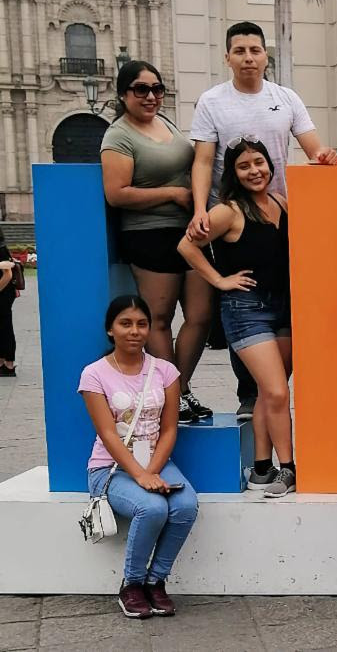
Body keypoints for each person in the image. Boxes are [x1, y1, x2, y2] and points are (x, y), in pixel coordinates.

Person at [187, 21, 337, 422]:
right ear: (227, 57)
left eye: (255, 50)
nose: (248, 58)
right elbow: (203, 160)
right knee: (241, 295)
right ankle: (249, 393)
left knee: (280, 293)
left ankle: (273, 392)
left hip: (281, 213)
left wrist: (326, 157)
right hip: (232, 217)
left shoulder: (286, 98)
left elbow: (314, 148)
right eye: (239, 51)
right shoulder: (212, 101)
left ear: (265, 56)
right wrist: (201, 209)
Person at [177, 138, 296, 498]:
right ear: (233, 173)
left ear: (270, 165)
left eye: (259, 162)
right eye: (244, 166)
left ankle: (261, 469)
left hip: (283, 307)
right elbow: (186, 246)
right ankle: (288, 469)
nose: (254, 171)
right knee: (277, 391)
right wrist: (219, 280)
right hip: (246, 310)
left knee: (267, 392)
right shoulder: (228, 211)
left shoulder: (281, 202)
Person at [100, 60, 212, 424]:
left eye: (157, 89)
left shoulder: (165, 123)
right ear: (123, 94)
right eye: (141, 89)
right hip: (149, 233)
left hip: (189, 231)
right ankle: (174, 396)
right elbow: (116, 193)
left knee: (201, 315)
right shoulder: (118, 136)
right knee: (160, 319)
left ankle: (179, 388)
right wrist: (173, 194)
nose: (151, 96)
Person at [79, 295, 199, 618]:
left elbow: (169, 430)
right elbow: (108, 434)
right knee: (152, 507)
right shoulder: (94, 374)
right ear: (110, 329)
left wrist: (152, 471)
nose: (134, 331)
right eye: (125, 323)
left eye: (142, 324)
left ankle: (155, 581)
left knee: (186, 505)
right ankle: (131, 585)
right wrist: (141, 475)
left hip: (155, 462)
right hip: (110, 468)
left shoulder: (165, 371)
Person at [0, 227, 17, 377]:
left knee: (5, 327)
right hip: (3, 292)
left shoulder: (1, 249)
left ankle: (9, 364)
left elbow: (8, 274)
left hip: (3, 293)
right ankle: (2, 362)